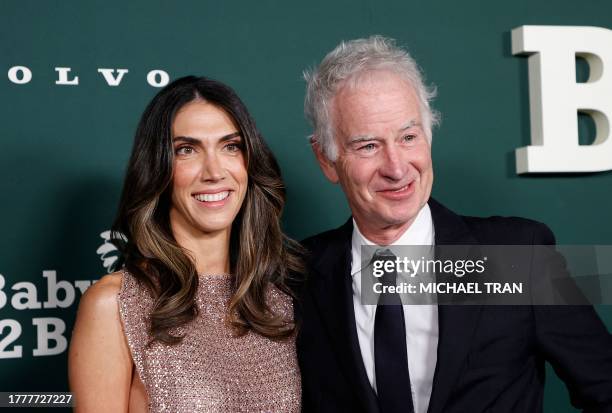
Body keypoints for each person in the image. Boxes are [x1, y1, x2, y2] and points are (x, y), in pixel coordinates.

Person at [296, 36, 612, 413]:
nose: (397, 168)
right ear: (326, 159)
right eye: (368, 146)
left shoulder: (519, 257)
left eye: (409, 137)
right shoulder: (295, 276)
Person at [69, 76, 303, 412]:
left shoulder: (281, 298)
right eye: (187, 150)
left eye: (231, 146)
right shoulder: (115, 305)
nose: (214, 171)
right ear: (158, 168)